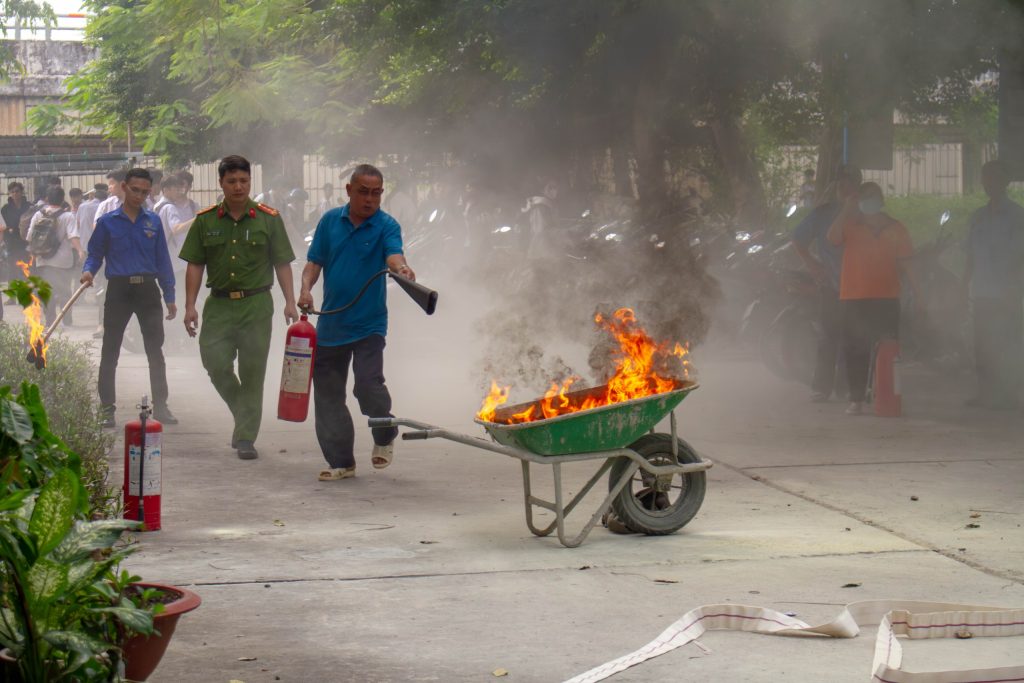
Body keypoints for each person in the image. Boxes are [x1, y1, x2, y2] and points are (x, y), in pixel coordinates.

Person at [298, 163, 414, 481]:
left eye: (376, 193)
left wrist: (402, 269)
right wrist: (306, 289)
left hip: (369, 325)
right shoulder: (328, 222)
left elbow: (394, 255)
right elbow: (313, 262)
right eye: (363, 192)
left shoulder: (386, 225)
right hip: (332, 324)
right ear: (349, 190)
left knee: (367, 384)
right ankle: (341, 463)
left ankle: (384, 433)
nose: (369, 199)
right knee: (328, 395)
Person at [179, 155, 298, 460]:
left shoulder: (268, 218)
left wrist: (289, 301)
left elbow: (282, 262)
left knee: (253, 372)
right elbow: (195, 264)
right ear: (221, 183)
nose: (238, 186)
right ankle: (243, 411)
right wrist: (190, 306)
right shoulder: (205, 220)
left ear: (250, 182)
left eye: (243, 181)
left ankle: (246, 436)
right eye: (231, 181)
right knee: (214, 363)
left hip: (256, 304)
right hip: (218, 304)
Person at [81, 168, 178, 427]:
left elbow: (163, 261)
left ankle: (161, 406)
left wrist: (169, 294)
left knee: (155, 350)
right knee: (110, 350)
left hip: (147, 290)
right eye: (136, 190)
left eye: (146, 192)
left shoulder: (153, 221)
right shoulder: (107, 222)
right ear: (124, 187)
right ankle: (106, 409)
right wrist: (88, 272)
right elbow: (94, 254)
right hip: (119, 290)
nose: (140, 196)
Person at [827, 182, 918, 415]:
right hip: (854, 297)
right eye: (864, 198)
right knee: (855, 349)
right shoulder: (850, 225)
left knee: (887, 349)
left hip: (886, 298)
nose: (869, 201)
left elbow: (907, 263)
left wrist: (920, 293)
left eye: (872, 197)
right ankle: (856, 399)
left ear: (881, 199)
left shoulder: (896, 228)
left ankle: (885, 396)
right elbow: (832, 238)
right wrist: (846, 210)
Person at [792, 164, 862, 402]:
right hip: (831, 285)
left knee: (856, 339)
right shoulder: (822, 214)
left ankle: (850, 388)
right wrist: (812, 263)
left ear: (858, 186)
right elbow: (798, 239)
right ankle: (822, 388)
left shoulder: (866, 214)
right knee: (828, 338)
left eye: (850, 182)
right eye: (840, 183)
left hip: (861, 289)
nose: (844, 187)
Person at [964, 160, 1024, 409]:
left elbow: (1020, 258)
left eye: (995, 178)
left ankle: (1010, 395)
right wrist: (963, 286)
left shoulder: (1017, 216)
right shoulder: (977, 217)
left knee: (1008, 345)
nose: (989, 183)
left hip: (1008, 293)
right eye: (986, 178)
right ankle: (986, 393)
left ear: (1005, 182)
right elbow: (970, 256)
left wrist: (1015, 289)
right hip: (982, 292)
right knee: (983, 345)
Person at [26, 186, 82, 327]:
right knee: (65, 290)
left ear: (47, 199)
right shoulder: (67, 216)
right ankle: (66, 318)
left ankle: (50, 319)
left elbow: (29, 237)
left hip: (42, 260)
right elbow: (73, 236)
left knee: (46, 291)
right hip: (63, 261)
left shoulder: (38, 215)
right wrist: (80, 250)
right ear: (62, 199)